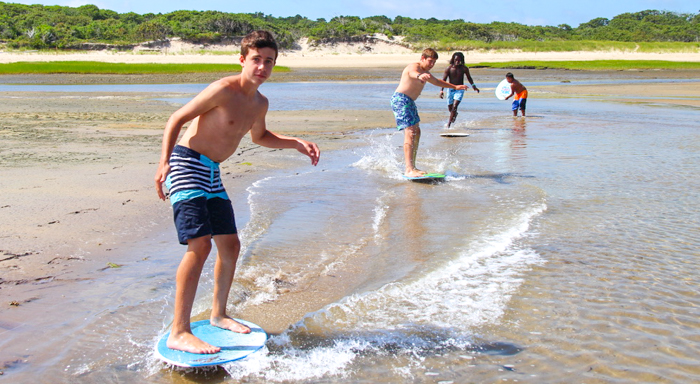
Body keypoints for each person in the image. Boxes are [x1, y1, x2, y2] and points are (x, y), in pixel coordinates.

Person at [154, 30, 320, 354]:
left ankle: (218, 315)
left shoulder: (260, 103)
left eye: (269, 61)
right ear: (243, 59)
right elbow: (176, 118)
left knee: (230, 245)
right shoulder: (222, 90)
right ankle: (179, 331)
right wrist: (163, 164)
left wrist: (295, 142)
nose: (262, 66)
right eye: (256, 59)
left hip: (212, 173)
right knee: (200, 245)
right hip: (186, 164)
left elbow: (260, 136)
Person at [391, 48, 468, 177]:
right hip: (400, 100)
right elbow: (412, 73)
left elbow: (437, 82)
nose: (431, 65)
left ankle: (413, 167)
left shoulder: (426, 72)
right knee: (410, 132)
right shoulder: (414, 67)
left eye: (434, 62)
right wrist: (420, 76)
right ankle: (409, 169)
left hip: (409, 102)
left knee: (417, 132)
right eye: (430, 61)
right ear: (422, 58)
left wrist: (455, 87)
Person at [439, 52, 480, 127]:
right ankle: (454, 114)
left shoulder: (464, 68)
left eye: (459, 60)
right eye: (456, 60)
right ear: (453, 60)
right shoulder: (449, 69)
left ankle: (448, 125)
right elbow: (443, 80)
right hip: (450, 89)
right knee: (450, 109)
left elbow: (469, 77)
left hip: (460, 89)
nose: (457, 62)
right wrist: (441, 90)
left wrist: (474, 86)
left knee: (455, 107)